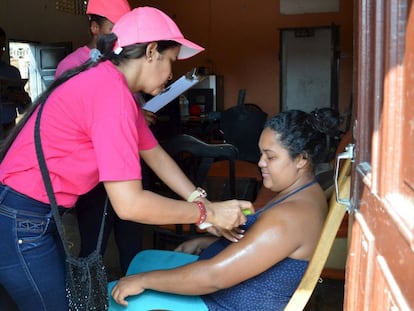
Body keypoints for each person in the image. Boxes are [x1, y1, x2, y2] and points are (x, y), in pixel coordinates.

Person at [0, 7, 252, 311]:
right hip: (22, 219)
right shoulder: (110, 94)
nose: (172, 73)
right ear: (151, 52)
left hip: (26, 216)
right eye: (171, 60)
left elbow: (156, 155)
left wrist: (204, 202)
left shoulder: (110, 85)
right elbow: (130, 204)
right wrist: (206, 215)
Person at [109, 109, 340, 311]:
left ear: (301, 159)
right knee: (140, 268)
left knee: (120, 294)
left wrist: (143, 280)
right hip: (222, 293)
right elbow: (260, 247)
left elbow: (214, 277)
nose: (260, 162)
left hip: (224, 304)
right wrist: (205, 244)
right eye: (261, 153)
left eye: (270, 157)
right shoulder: (303, 193)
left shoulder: (292, 218)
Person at [55, 0, 145, 275]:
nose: (120, 37)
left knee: (131, 235)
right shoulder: (72, 65)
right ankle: (89, 292)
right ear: (95, 27)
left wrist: (140, 117)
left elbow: (131, 111)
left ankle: (134, 286)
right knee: (94, 241)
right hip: (92, 173)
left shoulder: (126, 64)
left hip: (125, 163)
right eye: (113, 29)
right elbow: (74, 120)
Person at [0, 27, 31, 139]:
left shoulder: (12, 72)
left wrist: (24, 99)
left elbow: (25, 108)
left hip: (9, 130)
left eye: (2, 47)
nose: (0, 51)